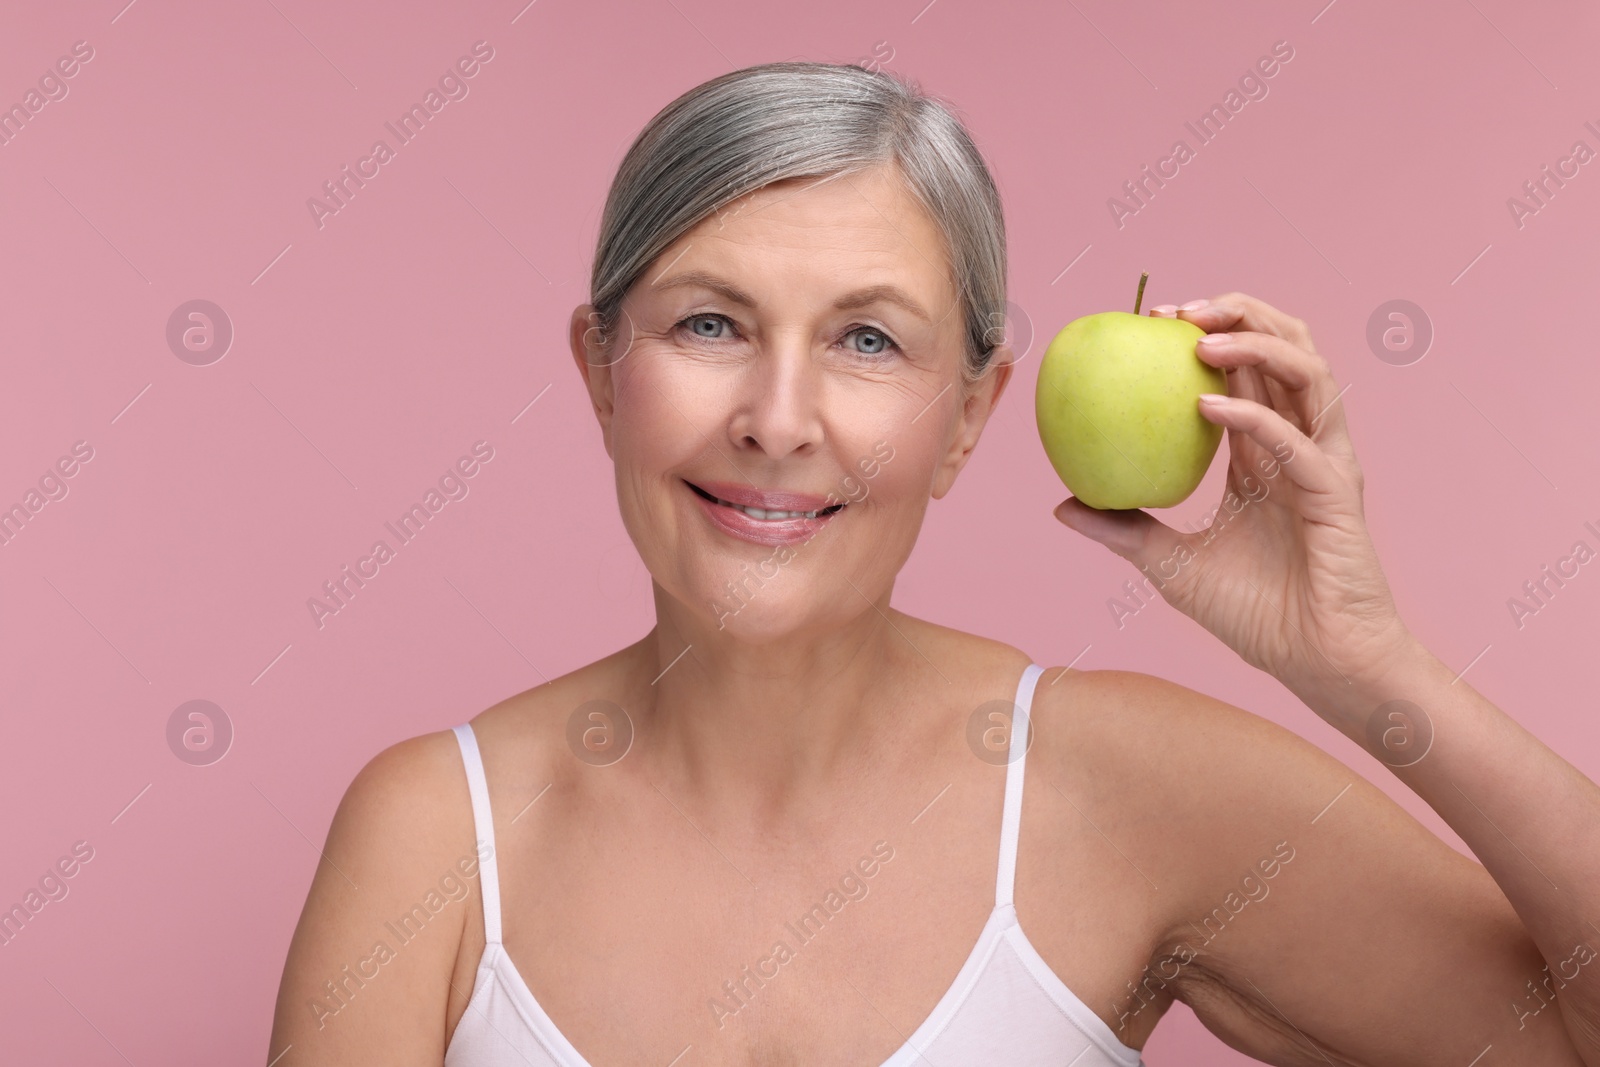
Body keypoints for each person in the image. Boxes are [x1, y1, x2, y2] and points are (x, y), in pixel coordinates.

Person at [268, 60, 1600, 1066]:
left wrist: (1375, 670)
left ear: (970, 415)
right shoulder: (435, 839)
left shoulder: (1123, 791)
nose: (778, 420)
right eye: (713, 321)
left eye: (866, 343)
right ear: (600, 375)